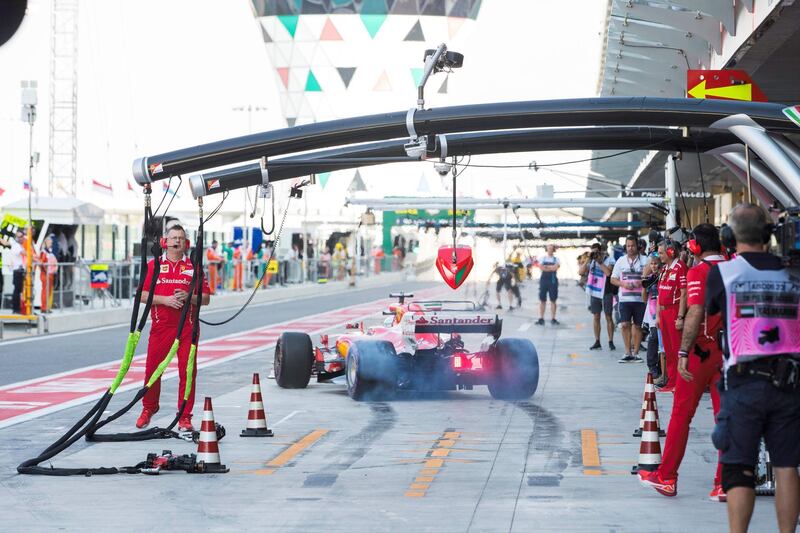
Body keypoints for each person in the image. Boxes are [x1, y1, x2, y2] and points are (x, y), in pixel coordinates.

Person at [706, 205, 800, 533]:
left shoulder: (723, 274)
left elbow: (712, 309)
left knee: (738, 468)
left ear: (729, 236)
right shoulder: (794, 273)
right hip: (789, 383)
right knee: (787, 466)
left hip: (744, 383)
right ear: (768, 234)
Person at [639, 223, 727, 501]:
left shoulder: (698, 272)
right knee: (726, 418)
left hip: (701, 353)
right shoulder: (734, 267)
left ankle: (666, 477)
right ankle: (724, 482)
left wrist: (683, 353)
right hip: (730, 355)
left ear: (695, 247)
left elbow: (695, 312)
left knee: (681, 415)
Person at [136, 225, 210, 431]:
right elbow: (141, 295)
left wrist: (189, 297)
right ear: (165, 241)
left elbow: (206, 299)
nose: (177, 241)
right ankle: (149, 408)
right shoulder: (154, 265)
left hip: (188, 328)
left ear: (186, 243)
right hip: (161, 328)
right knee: (152, 370)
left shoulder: (194, 267)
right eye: (173, 238)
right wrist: (165, 300)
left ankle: (184, 416)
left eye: (181, 238)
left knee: (187, 373)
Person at [655, 238, 688, 392]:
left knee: (676, 349)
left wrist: (681, 316)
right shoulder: (664, 269)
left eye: (661, 253)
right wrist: (657, 316)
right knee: (668, 350)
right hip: (663, 312)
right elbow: (660, 293)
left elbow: (684, 292)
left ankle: (679, 383)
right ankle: (671, 381)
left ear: (670, 252)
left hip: (674, 311)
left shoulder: (680, 267)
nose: (659, 256)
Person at [610, 235, 649, 363]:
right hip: (624, 300)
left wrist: (641, 282)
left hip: (640, 299)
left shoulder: (645, 260)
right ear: (625, 247)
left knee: (638, 326)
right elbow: (612, 279)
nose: (630, 248)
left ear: (637, 246)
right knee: (625, 324)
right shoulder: (621, 260)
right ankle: (627, 352)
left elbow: (652, 275)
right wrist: (623, 284)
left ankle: (636, 353)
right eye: (628, 246)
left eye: (632, 245)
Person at [579, 242, 616, 350]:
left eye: (597, 251)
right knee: (596, 316)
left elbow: (608, 273)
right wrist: (588, 259)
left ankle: (610, 341)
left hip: (606, 292)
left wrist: (599, 261)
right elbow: (581, 272)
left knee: (608, 316)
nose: (595, 254)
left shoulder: (609, 259)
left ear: (601, 251)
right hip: (595, 293)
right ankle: (597, 341)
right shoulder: (591, 261)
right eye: (593, 252)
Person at [536, 244, 560, 325]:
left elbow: (555, 268)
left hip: (553, 281)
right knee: (542, 300)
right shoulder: (542, 258)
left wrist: (546, 267)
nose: (550, 250)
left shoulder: (557, 259)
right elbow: (541, 267)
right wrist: (551, 267)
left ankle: (553, 318)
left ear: (553, 250)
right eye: (548, 248)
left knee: (553, 300)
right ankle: (541, 318)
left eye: (551, 248)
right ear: (546, 249)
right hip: (543, 280)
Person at [37, 236, 58, 312]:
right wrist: (45, 271)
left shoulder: (49, 251)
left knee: (48, 291)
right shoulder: (44, 252)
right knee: (45, 291)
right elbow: (41, 263)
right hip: (46, 274)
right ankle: (44, 307)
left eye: (51, 242)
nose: (51, 244)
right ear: (46, 242)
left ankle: (47, 307)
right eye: (50, 242)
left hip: (50, 274)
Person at [9, 231, 27, 314]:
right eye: (20, 237)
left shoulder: (20, 246)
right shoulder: (16, 246)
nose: (22, 238)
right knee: (17, 290)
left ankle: (18, 307)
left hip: (20, 270)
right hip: (17, 270)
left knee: (19, 290)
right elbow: (25, 254)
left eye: (22, 236)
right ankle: (15, 308)